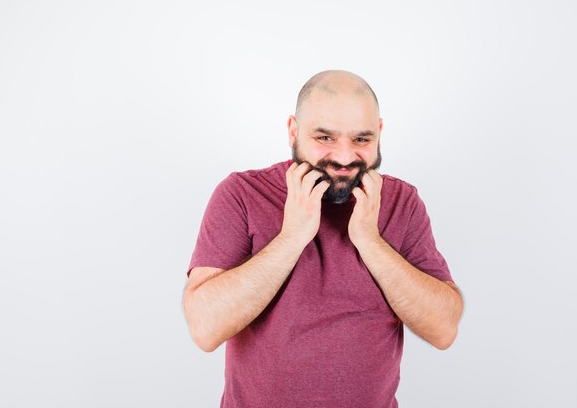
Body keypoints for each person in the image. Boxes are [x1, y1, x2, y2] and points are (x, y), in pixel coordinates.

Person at [183, 70, 464, 408]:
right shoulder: (241, 194)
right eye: (325, 138)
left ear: (380, 133)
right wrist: (292, 237)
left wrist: (371, 242)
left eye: (362, 140)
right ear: (293, 131)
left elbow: (444, 328)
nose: (344, 158)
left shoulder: (402, 202)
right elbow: (205, 327)